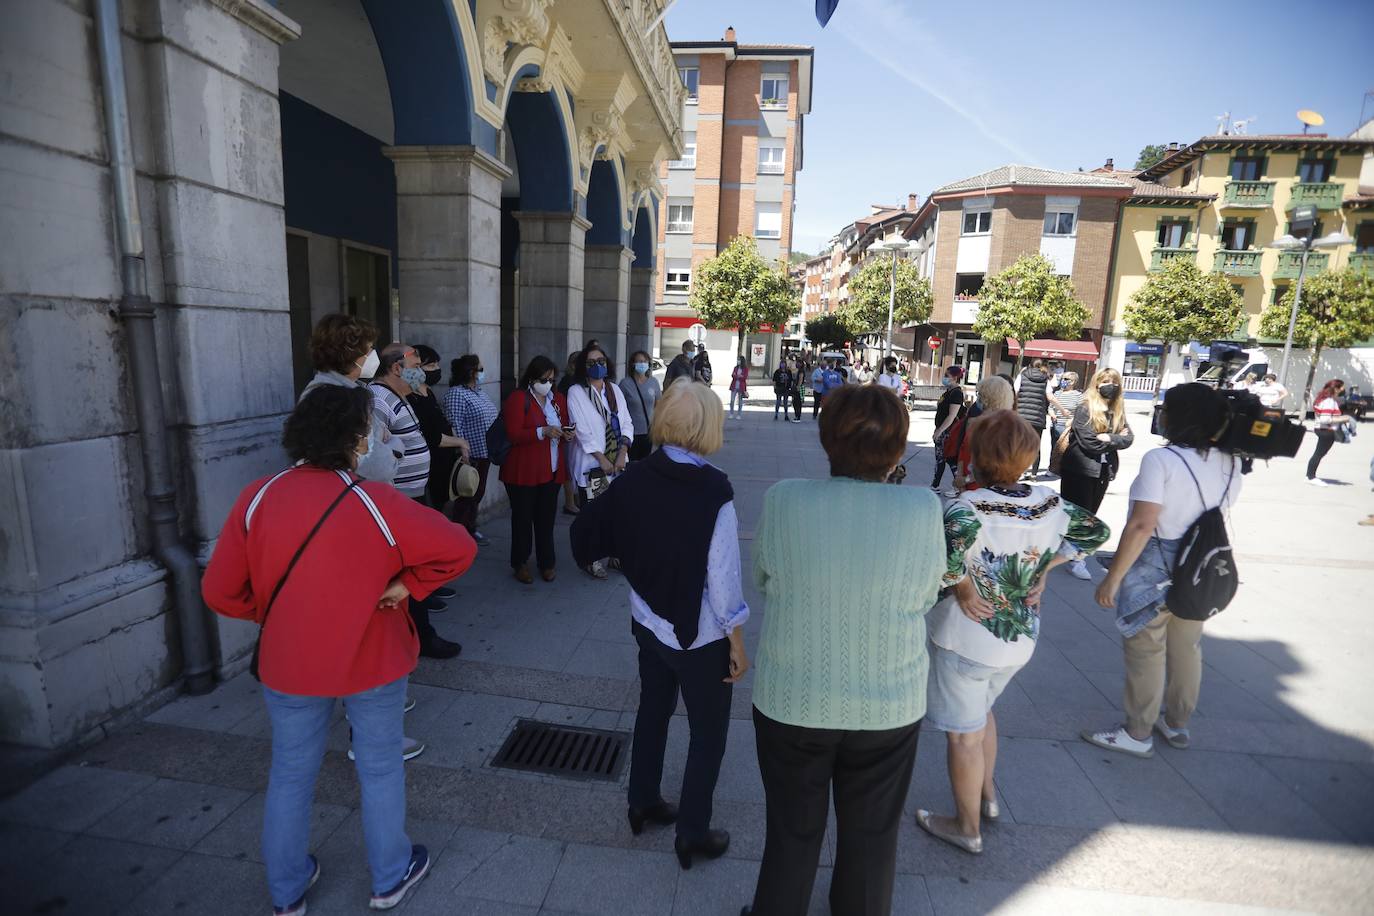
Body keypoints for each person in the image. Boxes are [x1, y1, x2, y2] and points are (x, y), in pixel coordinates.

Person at [202, 385, 476, 914]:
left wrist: (272, 615)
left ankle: (286, 891)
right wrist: (409, 587)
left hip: (289, 660)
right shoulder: (375, 501)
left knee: (290, 772)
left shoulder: (258, 496)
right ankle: (390, 876)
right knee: (378, 767)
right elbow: (458, 547)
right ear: (356, 440)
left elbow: (219, 591)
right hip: (372, 656)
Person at [745, 384, 945, 916]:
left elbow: (763, 578)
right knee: (872, 839)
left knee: (791, 833)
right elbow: (927, 594)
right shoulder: (924, 509)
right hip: (889, 703)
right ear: (899, 450)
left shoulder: (784, 498)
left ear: (827, 439)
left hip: (792, 698)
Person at [569, 381, 750, 870]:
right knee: (708, 733)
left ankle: (642, 801)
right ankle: (692, 832)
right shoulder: (715, 489)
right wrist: (737, 637)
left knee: (653, 708)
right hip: (702, 635)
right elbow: (724, 577)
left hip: (648, 621)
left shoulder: (635, 476)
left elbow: (589, 528)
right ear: (708, 426)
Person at [919, 410, 1108, 855]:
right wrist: (1046, 568)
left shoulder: (966, 508)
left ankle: (966, 826)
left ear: (978, 454)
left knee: (963, 734)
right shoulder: (1046, 500)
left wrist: (964, 586)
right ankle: (986, 799)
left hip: (965, 637)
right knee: (983, 713)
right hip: (1019, 638)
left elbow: (944, 565)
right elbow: (1095, 532)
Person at [1084, 383, 1241, 758]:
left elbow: (1142, 525)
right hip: (1201, 563)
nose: (1162, 414)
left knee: (1146, 647)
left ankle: (1138, 732)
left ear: (1180, 417)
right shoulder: (1232, 461)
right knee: (1187, 647)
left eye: (1166, 408)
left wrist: (1113, 577)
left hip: (1156, 563)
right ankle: (1176, 723)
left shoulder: (1162, 462)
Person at [370, 344, 462, 659]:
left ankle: (419, 631)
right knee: (409, 569)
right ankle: (420, 636)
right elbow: (372, 456)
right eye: (417, 364)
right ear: (397, 367)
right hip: (395, 502)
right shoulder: (378, 400)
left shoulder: (402, 396)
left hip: (413, 497)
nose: (421, 370)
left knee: (419, 564)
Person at [502, 356, 575, 584]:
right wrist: (541, 432)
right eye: (544, 379)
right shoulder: (518, 398)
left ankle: (547, 563)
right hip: (523, 470)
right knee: (523, 519)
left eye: (552, 380)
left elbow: (562, 428)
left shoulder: (557, 400)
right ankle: (520, 562)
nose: (549, 384)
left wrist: (567, 434)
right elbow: (513, 434)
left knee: (545, 520)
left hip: (551, 470)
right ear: (532, 378)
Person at [301, 314, 397, 485]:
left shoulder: (347, 389)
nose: (374, 355)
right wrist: (394, 449)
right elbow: (371, 461)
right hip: (354, 494)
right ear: (349, 355)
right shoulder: (335, 399)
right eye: (369, 349)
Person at [566, 343, 635, 578]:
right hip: (592, 465)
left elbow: (626, 421)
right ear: (584, 367)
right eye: (592, 362)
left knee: (619, 511)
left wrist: (623, 451)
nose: (598, 366)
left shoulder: (614, 390)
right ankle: (591, 558)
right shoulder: (577, 392)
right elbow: (582, 430)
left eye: (601, 361)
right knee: (593, 514)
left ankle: (616, 554)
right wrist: (601, 458)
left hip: (618, 462)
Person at [1058, 369, 1133, 579]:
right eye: (1105, 381)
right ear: (1096, 383)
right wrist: (1114, 438)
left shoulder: (1117, 410)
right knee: (1083, 517)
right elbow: (1089, 442)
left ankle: (1067, 549)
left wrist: (1108, 438)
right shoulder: (1085, 408)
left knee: (1088, 514)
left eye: (1114, 382)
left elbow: (1129, 438)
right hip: (1080, 468)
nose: (1110, 385)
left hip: (1102, 470)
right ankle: (1076, 559)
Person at [405, 345, 470, 531]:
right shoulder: (409, 397)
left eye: (437, 366)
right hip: (427, 469)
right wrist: (461, 442)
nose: (437, 370)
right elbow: (431, 436)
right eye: (430, 366)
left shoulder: (428, 392)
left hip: (443, 465)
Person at [953, 376, 1014, 492]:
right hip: (970, 487)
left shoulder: (997, 428)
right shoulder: (978, 422)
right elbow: (963, 450)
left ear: (987, 397)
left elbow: (990, 466)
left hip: (983, 490)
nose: (978, 398)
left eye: (979, 394)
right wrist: (960, 477)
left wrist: (963, 480)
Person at [1306, 379, 1351, 486]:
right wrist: (1345, 418)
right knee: (1318, 454)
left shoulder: (1323, 398)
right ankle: (1310, 477)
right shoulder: (1329, 401)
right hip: (1326, 430)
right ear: (1335, 388)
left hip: (1322, 429)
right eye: (1341, 387)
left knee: (1319, 454)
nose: (1343, 389)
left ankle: (1310, 476)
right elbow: (1325, 419)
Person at [620, 350, 662, 460]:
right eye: (639, 361)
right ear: (633, 364)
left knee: (645, 463)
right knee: (632, 464)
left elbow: (658, 407)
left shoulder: (653, 382)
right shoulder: (625, 384)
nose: (642, 364)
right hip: (631, 433)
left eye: (644, 361)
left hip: (648, 432)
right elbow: (619, 408)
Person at [1014, 359, 1053, 479]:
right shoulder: (1045, 378)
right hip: (1038, 417)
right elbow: (1050, 396)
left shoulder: (1022, 375)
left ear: (1030, 365)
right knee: (1036, 445)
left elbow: (1015, 391)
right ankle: (1034, 474)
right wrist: (1061, 409)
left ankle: (1021, 471)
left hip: (1022, 416)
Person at [931, 365, 966, 491]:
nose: (944, 378)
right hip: (943, 430)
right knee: (945, 459)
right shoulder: (948, 392)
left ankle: (954, 486)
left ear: (955, 378)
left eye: (947, 376)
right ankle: (938, 485)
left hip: (948, 432)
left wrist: (940, 431)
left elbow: (952, 416)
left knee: (947, 458)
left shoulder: (956, 393)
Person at [557, 351, 581, 516]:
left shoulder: (577, 381)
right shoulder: (568, 383)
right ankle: (570, 503)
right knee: (568, 467)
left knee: (573, 465)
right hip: (568, 428)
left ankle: (575, 499)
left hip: (574, 428)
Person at [1048, 371, 1082, 444]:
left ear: (1073, 382)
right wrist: (1052, 414)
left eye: (1065, 379)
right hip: (1055, 425)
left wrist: (1072, 421)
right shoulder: (1057, 393)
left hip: (1068, 427)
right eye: (1062, 378)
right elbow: (1050, 407)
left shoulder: (1078, 395)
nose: (1063, 380)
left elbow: (1080, 411)